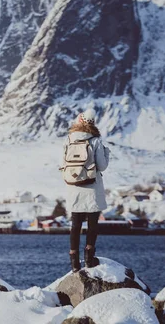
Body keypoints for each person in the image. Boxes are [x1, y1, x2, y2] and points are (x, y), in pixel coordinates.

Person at [60, 109, 110, 272]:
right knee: (92, 223)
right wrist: (106, 153)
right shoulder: (95, 140)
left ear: (78, 122)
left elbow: (63, 164)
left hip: (74, 187)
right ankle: (89, 259)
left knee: (75, 225)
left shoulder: (68, 139)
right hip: (92, 186)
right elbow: (102, 166)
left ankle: (74, 263)